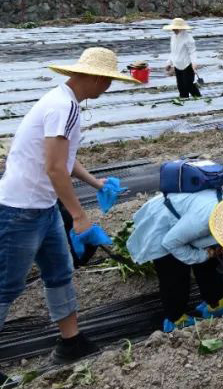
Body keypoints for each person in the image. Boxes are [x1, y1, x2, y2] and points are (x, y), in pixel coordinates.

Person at [0, 48, 137, 368]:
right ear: (97, 78)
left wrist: (97, 184)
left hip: (42, 207)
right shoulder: (64, 107)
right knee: (5, 286)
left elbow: (66, 159)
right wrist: (79, 215)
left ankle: (71, 342)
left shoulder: (63, 102)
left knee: (59, 273)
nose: (108, 88)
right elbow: (55, 168)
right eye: (109, 81)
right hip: (20, 209)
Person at [128, 191, 223, 332]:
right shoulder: (203, 221)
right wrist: (204, 255)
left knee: (212, 260)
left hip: (188, 222)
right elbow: (170, 243)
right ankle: (175, 319)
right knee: (175, 274)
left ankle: (215, 304)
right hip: (163, 226)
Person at [164, 17, 201, 98]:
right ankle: (184, 101)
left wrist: (194, 63)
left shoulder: (188, 38)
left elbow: (192, 51)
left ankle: (199, 99)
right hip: (177, 65)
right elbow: (173, 52)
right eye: (173, 28)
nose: (173, 30)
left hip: (187, 65)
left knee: (189, 85)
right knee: (180, 86)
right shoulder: (173, 37)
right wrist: (169, 63)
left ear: (181, 28)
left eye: (175, 28)